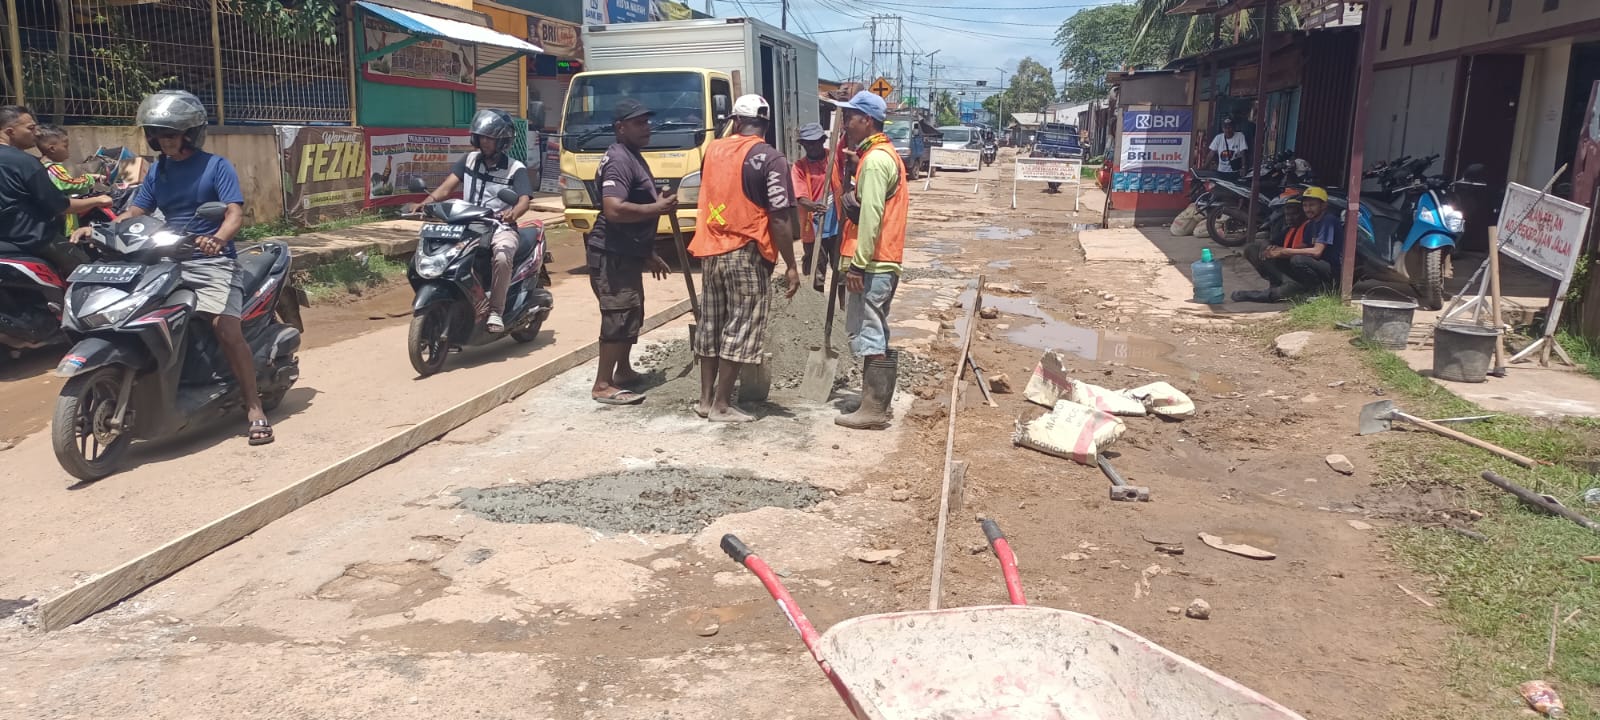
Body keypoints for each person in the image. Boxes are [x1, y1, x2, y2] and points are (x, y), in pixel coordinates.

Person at [96, 91, 268, 444]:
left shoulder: (216, 166)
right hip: (166, 258)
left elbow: (233, 212)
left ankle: (254, 407)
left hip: (210, 260)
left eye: (172, 134)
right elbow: (137, 211)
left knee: (225, 328)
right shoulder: (158, 169)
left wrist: (218, 238)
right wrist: (105, 227)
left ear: (190, 134)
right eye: (159, 134)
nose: (165, 140)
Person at [688, 94, 799, 423]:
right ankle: (723, 406)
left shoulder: (712, 151)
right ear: (765, 125)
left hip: (711, 250)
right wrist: (791, 265)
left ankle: (705, 401)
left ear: (735, 121)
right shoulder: (770, 158)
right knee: (741, 325)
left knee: (711, 324)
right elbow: (779, 217)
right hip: (747, 253)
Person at [407, 109, 532, 334]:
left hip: (499, 226)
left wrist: (513, 213)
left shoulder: (515, 168)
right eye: (481, 136)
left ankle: (495, 310)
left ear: (502, 141)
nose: (484, 142)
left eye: (490, 138)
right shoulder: (469, 160)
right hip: (466, 224)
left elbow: (524, 200)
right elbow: (446, 188)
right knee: (439, 251)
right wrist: (424, 204)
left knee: (502, 255)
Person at [585, 98, 674, 405]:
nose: (646, 127)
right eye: (638, 123)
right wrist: (657, 206)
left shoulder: (633, 156)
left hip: (627, 251)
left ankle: (622, 371)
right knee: (617, 315)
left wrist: (647, 252)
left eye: (647, 122)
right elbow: (613, 209)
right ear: (620, 128)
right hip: (611, 253)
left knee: (631, 313)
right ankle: (602, 384)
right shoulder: (620, 160)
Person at [833, 90, 909, 430]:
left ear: (867, 120)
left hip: (875, 261)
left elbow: (872, 216)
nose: (846, 123)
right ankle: (870, 401)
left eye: (850, 116)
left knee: (871, 330)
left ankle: (874, 410)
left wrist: (858, 264)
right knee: (871, 330)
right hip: (880, 259)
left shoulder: (877, 161)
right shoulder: (876, 156)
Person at [0, 106, 111, 271]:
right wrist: (97, 200)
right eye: (30, 128)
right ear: (10, 132)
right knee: (86, 272)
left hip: (5, 241)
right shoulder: (25, 163)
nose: (36, 133)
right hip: (33, 239)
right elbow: (60, 206)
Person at [1233, 187, 1340, 302]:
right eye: (1305, 205)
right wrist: (1275, 251)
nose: (1308, 209)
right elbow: (1302, 247)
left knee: (1297, 260)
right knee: (1258, 250)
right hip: (1311, 267)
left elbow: (1317, 252)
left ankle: (1319, 291)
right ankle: (1289, 285)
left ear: (1323, 206)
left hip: (1330, 270)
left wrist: (1284, 251)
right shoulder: (1312, 223)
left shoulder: (1328, 220)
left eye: (1312, 205)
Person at [35, 124, 105, 238]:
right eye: (65, 146)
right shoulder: (53, 168)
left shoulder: (41, 165)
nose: (68, 150)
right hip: (62, 215)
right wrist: (90, 179)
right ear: (52, 148)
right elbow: (67, 184)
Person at [791, 122, 829, 276]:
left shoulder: (834, 159)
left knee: (842, 275)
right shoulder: (799, 167)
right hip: (812, 227)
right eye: (807, 144)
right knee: (814, 272)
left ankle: (842, 300)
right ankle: (815, 299)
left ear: (822, 140)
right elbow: (800, 198)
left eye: (814, 143)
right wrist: (814, 206)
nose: (811, 147)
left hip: (835, 227)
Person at [1207, 117, 1248, 181]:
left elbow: (1243, 152)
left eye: (1229, 127)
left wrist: (1243, 167)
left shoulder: (1240, 136)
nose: (1227, 130)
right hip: (1221, 172)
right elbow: (1211, 153)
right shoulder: (1218, 138)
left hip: (1235, 172)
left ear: (1234, 128)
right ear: (1223, 129)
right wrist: (1205, 166)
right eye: (1225, 128)